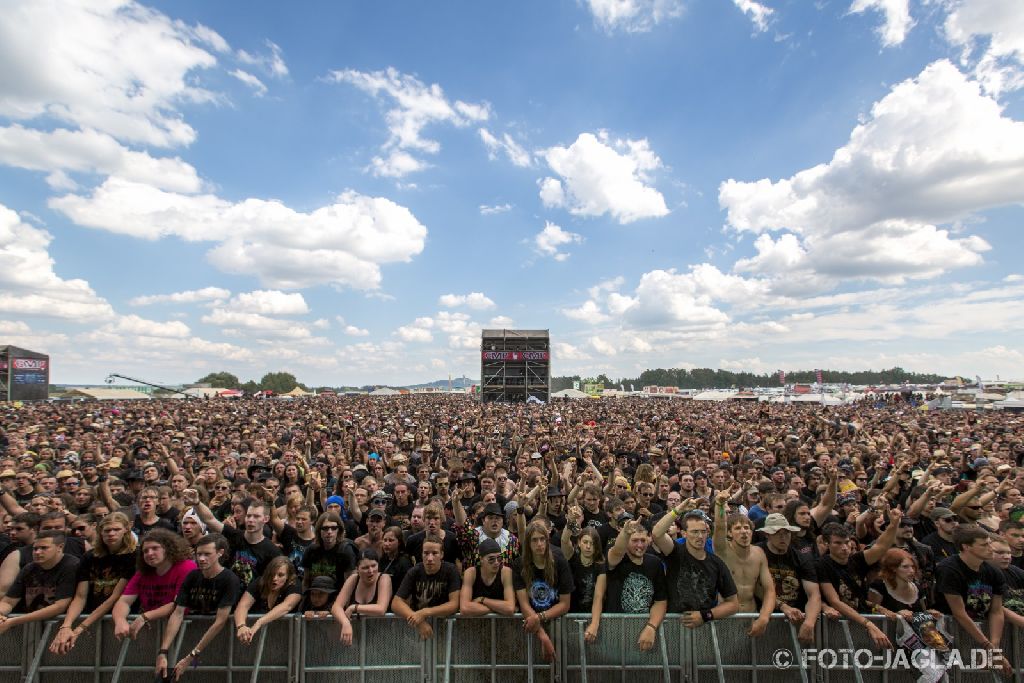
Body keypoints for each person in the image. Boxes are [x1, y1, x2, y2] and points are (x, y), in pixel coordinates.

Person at [49, 512, 136, 654]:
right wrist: (66, 626)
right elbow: (80, 596)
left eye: (116, 529)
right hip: (90, 615)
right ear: (100, 532)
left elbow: (114, 597)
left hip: (117, 619)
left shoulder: (134, 556)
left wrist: (79, 629)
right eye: (107, 530)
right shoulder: (90, 556)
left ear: (126, 529)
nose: (111, 534)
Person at [157, 533, 241, 681]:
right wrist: (163, 651)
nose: (201, 558)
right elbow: (177, 613)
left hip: (218, 644)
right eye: (199, 554)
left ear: (220, 553)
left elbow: (220, 621)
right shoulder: (192, 576)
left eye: (207, 554)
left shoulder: (230, 579)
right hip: (188, 639)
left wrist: (191, 656)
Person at [816, 509, 901, 649]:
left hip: (861, 618)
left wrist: (894, 523)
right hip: (837, 625)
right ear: (826, 544)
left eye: (847, 542)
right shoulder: (822, 565)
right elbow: (834, 601)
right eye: (838, 543)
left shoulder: (857, 560)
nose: (844, 547)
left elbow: (881, 546)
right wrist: (868, 624)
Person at [934, 525, 1012, 676]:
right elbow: (959, 613)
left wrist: (994, 647)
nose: (990, 548)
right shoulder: (949, 569)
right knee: (955, 675)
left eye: (989, 543)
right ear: (966, 546)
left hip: (981, 633)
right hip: (949, 634)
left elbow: (996, 610)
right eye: (984, 545)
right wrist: (988, 646)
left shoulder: (993, 571)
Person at [652, 507, 739, 629]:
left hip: (704, 628)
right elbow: (657, 533)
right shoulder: (674, 552)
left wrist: (705, 616)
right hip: (673, 627)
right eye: (695, 532)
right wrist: (677, 510)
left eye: (703, 532)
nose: (700, 536)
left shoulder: (716, 563)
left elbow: (733, 604)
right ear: (684, 533)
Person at [712, 488, 775, 637]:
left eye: (747, 528)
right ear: (729, 533)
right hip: (725, 619)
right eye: (738, 528)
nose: (744, 532)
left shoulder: (759, 554)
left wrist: (764, 617)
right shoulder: (723, 550)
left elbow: (769, 590)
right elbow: (720, 527)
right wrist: (720, 505)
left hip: (751, 617)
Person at [112, 529, 196, 640]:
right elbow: (124, 601)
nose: (149, 553)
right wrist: (120, 621)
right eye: (145, 551)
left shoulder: (186, 567)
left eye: (155, 548)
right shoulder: (142, 573)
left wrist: (145, 617)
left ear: (168, 548)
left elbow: (178, 604)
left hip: (188, 632)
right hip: (155, 633)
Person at [756, 510, 822, 644]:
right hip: (763, 618)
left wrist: (809, 622)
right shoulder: (756, 553)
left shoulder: (801, 558)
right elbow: (755, 588)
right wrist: (783, 606)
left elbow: (814, 594)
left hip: (795, 619)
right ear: (767, 534)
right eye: (777, 533)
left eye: (786, 532)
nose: (783, 537)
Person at [514, 520, 573, 661]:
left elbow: (565, 604)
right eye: (534, 540)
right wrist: (543, 636)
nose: (539, 544)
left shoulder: (559, 560)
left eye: (542, 539)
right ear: (528, 543)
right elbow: (524, 604)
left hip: (558, 623)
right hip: (530, 626)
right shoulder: (519, 564)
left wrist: (539, 618)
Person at [605, 519, 667, 651]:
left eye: (643, 540)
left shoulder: (655, 563)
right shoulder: (617, 561)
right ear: (627, 540)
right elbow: (616, 551)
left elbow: (660, 600)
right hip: (616, 631)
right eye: (634, 540)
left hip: (644, 631)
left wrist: (651, 627)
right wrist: (625, 533)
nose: (640, 545)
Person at [0, 530, 78, 634]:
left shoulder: (71, 565)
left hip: (62, 629)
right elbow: (8, 601)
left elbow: (60, 606)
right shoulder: (29, 568)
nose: (37, 552)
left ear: (60, 547)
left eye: (44, 548)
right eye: (35, 548)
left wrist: (14, 621)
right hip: (32, 628)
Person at [392, 533, 461, 640]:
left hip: (445, 629)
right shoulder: (414, 571)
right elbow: (396, 603)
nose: (429, 558)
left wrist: (425, 612)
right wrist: (418, 620)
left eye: (434, 553)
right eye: (426, 553)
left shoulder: (451, 570)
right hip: (419, 630)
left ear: (442, 554)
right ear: (421, 554)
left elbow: (454, 604)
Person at [560, 508, 607, 643]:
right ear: (579, 543)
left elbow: (599, 596)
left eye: (592, 544)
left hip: (592, 612)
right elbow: (564, 541)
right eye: (585, 542)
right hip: (569, 613)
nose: (588, 546)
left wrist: (594, 623)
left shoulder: (600, 565)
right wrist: (570, 521)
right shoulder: (571, 556)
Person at [234, 555, 302, 645]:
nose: (274, 578)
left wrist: (259, 622)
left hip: (287, 640)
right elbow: (243, 605)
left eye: (280, 575)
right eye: (272, 574)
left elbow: (287, 606)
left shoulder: (295, 584)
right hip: (259, 640)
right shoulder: (260, 582)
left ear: (288, 577)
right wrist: (241, 626)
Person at [331, 548, 393, 645]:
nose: (370, 571)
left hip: (382, 638)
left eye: (374, 566)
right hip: (357, 638)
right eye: (365, 568)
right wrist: (345, 623)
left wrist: (354, 607)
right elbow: (336, 607)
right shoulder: (353, 578)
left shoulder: (384, 578)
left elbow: (381, 609)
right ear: (357, 569)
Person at [459, 537, 516, 617]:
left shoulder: (506, 572)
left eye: (499, 558)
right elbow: (465, 608)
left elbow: (509, 608)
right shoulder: (471, 573)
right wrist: (498, 609)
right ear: (481, 559)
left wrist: (483, 600)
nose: (496, 562)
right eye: (491, 559)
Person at [301, 512, 356, 591]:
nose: (329, 532)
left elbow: (350, 585)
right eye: (325, 528)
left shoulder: (346, 551)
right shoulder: (311, 550)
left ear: (339, 530)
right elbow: (306, 581)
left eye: (334, 528)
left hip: (337, 596)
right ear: (319, 530)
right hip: (315, 594)